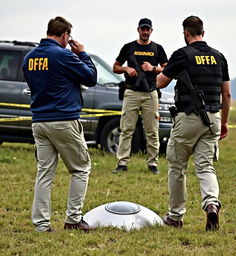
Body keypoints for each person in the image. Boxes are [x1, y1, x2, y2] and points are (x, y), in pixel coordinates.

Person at [23, 16, 97, 232]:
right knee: (80, 168)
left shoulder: (29, 57)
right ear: (65, 35)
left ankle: (41, 224)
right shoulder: (63, 55)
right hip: (64, 120)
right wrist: (82, 53)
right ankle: (73, 219)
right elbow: (90, 77)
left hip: (39, 121)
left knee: (44, 173)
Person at [157, 16, 231, 231]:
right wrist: (224, 123)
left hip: (187, 118)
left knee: (177, 167)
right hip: (213, 119)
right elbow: (226, 93)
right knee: (206, 167)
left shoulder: (182, 54)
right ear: (203, 33)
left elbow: (161, 82)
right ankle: (211, 204)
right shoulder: (219, 57)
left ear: (185, 33)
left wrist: (160, 71)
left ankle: (175, 216)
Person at [112, 18, 168, 174]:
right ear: (138, 30)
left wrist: (153, 68)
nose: (145, 32)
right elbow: (115, 67)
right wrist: (126, 69)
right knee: (126, 129)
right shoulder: (128, 47)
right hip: (131, 92)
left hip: (150, 92)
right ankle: (122, 163)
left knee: (152, 130)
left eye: (147, 29)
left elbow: (167, 68)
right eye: (142, 29)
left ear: (151, 31)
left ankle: (153, 164)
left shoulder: (158, 48)